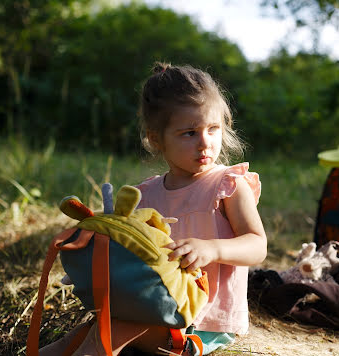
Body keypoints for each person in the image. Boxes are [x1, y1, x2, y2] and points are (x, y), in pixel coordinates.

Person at [39, 62, 267, 356]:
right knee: (72, 340)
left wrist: (212, 249)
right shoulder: (145, 195)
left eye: (213, 129)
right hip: (150, 305)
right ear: (157, 138)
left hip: (203, 321)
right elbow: (134, 251)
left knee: (107, 335)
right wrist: (101, 263)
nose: (205, 143)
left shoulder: (228, 185)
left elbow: (257, 245)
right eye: (189, 133)